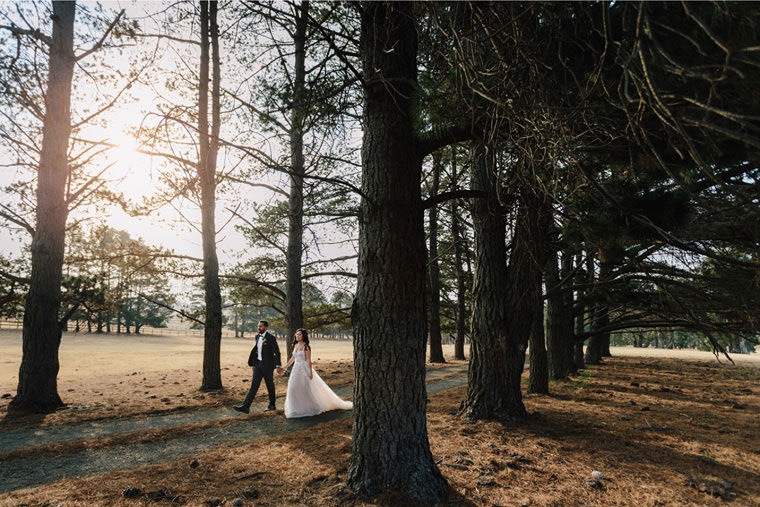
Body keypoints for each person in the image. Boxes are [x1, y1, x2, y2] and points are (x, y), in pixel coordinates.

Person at [279, 328, 352, 418]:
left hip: (304, 369)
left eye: (299, 335)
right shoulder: (295, 345)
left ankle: (311, 407)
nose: (297, 336)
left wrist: (310, 372)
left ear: (303, 336)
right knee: (293, 388)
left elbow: (309, 361)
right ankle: (295, 409)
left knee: (305, 388)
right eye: (296, 334)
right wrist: (284, 367)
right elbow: (292, 359)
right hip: (296, 369)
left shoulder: (306, 347)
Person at [233, 320, 282, 414]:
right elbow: (257, 350)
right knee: (254, 386)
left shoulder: (271, 338)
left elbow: (277, 352)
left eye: (261, 326)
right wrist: (254, 363)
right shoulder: (257, 336)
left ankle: (272, 405)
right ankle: (246, 406)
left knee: (270, 386)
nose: (258, 328)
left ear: (266, 327)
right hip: (257, 365)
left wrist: (278, 365)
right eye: (258, 326)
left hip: (268, 366)